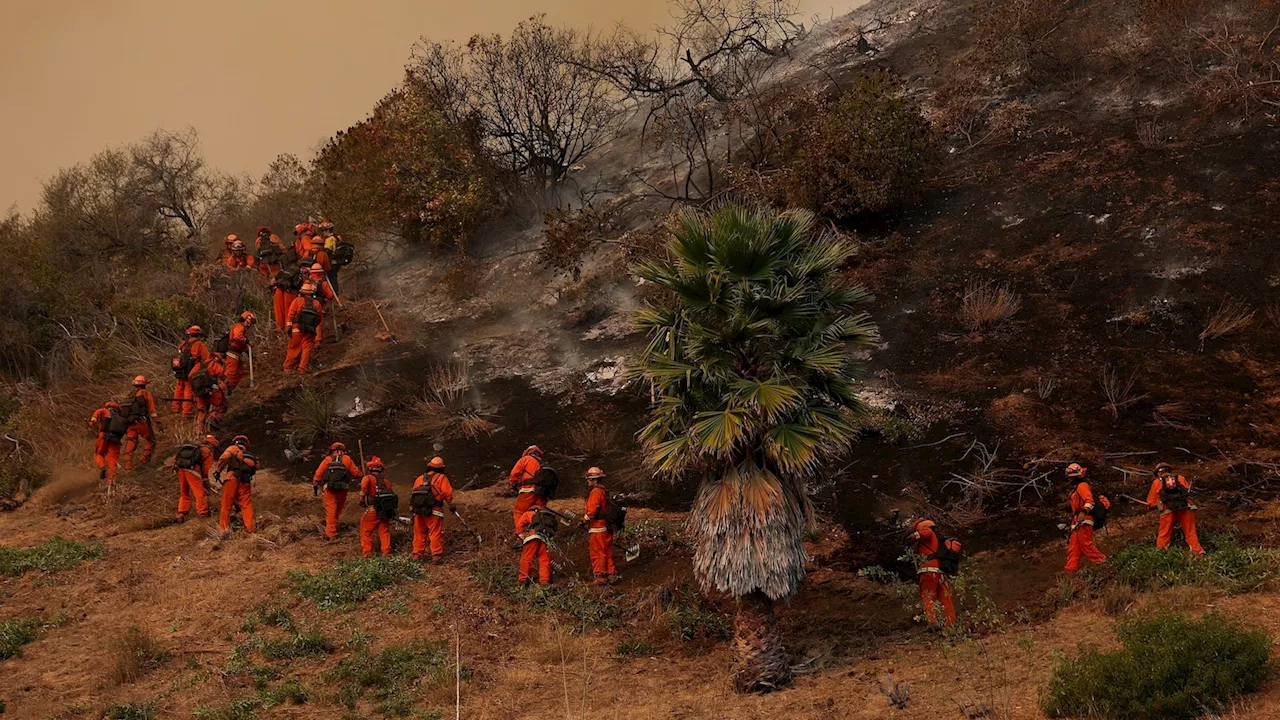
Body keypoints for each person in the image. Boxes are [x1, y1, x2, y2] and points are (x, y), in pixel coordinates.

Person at [1146, 462, 1205, 555]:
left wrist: (1153, 505)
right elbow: (1186, 493)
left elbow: (1151, 502)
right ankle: (1198, 552)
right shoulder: (1180, 478)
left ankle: (1161, 554)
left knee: (1164, 533)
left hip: (1167, 511)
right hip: (1186, 508)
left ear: (1158, 473)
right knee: (1190, 532)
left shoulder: (1156, 482)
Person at [910, 518, 957, 626]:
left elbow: (925, 532)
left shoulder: (926, 531)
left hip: (928, 570)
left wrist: (913, 536)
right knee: (945, 598)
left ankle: (932, 622)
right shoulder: (934, 540)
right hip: (939, 571)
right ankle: (951, 624)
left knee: (927, 595)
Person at [1064, 463, 1108, 572]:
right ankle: (1070, 570)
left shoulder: (1082, 486)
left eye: (1070, 477)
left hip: (1084, 521)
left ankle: (1104, 562)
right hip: (1077, 522)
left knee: (1086, 546)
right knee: (1074, 548)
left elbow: (1089, 501)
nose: (1069, 479)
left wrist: (1083, 512)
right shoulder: (1075, 488)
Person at [313, 442, 360, 540]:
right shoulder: (347, 459)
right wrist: (363, 474)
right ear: (343, 450)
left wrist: (316, 483)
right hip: (343, 489)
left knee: (331, 510)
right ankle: (333, 528)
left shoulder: (327, 460)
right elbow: (356, 473)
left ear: (331, 451)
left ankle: (331, 533)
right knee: (337, 510)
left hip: (329, 489)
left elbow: (318, 473)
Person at [411, 456, 454, 562]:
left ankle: (417, 555)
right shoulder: (441, 478)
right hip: (434, 511)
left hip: (418, 511)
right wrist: (451, 506)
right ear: (441, 468)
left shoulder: (419, 478)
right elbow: (447, 494)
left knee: (419, 533)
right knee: (434, 532)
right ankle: (436, 555)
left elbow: (413, 495)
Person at [581, 467, 616, 585]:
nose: (587, 481)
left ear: (594, 480)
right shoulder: (604, 491)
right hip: (606, 526)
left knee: (597, 552)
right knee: (606, 550)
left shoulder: (595, 492)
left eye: (589, 479)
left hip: (597, 527)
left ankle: (600, 577)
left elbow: (592, 511)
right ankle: (610, 573)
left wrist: (583, 520)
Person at [216, 435, 258, 534]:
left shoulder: (233, 449)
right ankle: (251, 529)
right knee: (246, 506)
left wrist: (218, 471)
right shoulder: (250, 456)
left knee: (226, 506)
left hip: (232, 479)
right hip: (245, 482)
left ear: (236, 443)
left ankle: (224, 531)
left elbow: (224, 457)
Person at [123, 375, 162, 469]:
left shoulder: (130, 394)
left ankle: (127, 465)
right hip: (141, 422)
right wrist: (158, 422)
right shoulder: (145, 393)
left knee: (131, 441)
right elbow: (152, 410)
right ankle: (144, 461)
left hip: (130, 423)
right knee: (151, 440)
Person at [175, 435, 218, 521]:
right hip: (193, 471)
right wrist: (205, 481)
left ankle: (181, 513)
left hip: (181, 470)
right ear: (212, 445)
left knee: (184, 493)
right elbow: (206, 469)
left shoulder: (195, 448)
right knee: (199, 493)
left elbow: (175, 459)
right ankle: (202, 513)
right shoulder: (208, 452)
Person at [359, 456, 395, 558]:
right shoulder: (386, 482)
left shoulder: (367, 478)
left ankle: (367, 554)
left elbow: (364, 489)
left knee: (365, 531)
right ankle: (386, 553)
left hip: (372, 510)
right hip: (384, 511)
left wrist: (362, 500)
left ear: (370, 468)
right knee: (384, 531)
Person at [284, 287, 325, 374]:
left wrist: (288, 328)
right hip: (310, 331)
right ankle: (302, 369)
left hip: (296, 329)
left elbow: (290, 315)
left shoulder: (297, 301)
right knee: (307, 349)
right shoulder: (317, 303)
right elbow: (320, 319)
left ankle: (288, 369)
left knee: (293, 348)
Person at [172, 326, 211, 417]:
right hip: (191, 371)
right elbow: (207, 359)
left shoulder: (183, 344)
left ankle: (175, 408)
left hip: (180, 371)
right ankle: (187, 412)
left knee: (179, 388)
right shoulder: (199, 345)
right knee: (189, 390)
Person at [508, 445, 545, 531]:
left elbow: (514, 473)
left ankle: (522, 534)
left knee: (519, 512)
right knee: (538, 513)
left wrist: (512, 484)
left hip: (528, 491)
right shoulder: (541, 465)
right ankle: (539, 532)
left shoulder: (526, 459)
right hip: (542, 494)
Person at [516, 507, 555, 586]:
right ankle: (544, 581)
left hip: (532, 538)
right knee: (544, 560)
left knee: (526, 558)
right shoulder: (549, 518)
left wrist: (522, 536)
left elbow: (519, 525)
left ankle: (523, 579)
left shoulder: (530, 514)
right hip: (545, 540)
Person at [89, 401, 126, 484]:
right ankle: (111, 482)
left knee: (99, 454)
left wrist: (92, 422)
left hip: (103, 437)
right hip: (115, 441)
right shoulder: (121, 418)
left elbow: (97, 413)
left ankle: (102, 467)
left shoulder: (105, 411)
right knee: (112, 460)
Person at [224, 311, 256, 391]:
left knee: (240, 374)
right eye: (248, 323)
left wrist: (247, 351)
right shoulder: (239, 326)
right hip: (232, 354)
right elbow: (237, 336)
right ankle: (223, 391)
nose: (249, 325)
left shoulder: (242, 329)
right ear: (245, 319)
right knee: (230, 374)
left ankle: (234, 390)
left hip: (237, 354)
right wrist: (246, 341)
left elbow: (240, 342)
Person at [271, 261, 307, 332]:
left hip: (279, 289)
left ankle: (280, 327)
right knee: (289, 309)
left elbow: (272, 281)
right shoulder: (302, 273)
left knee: (279, 309)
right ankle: (288, 327)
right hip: (290, 291)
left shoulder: (284, 271)